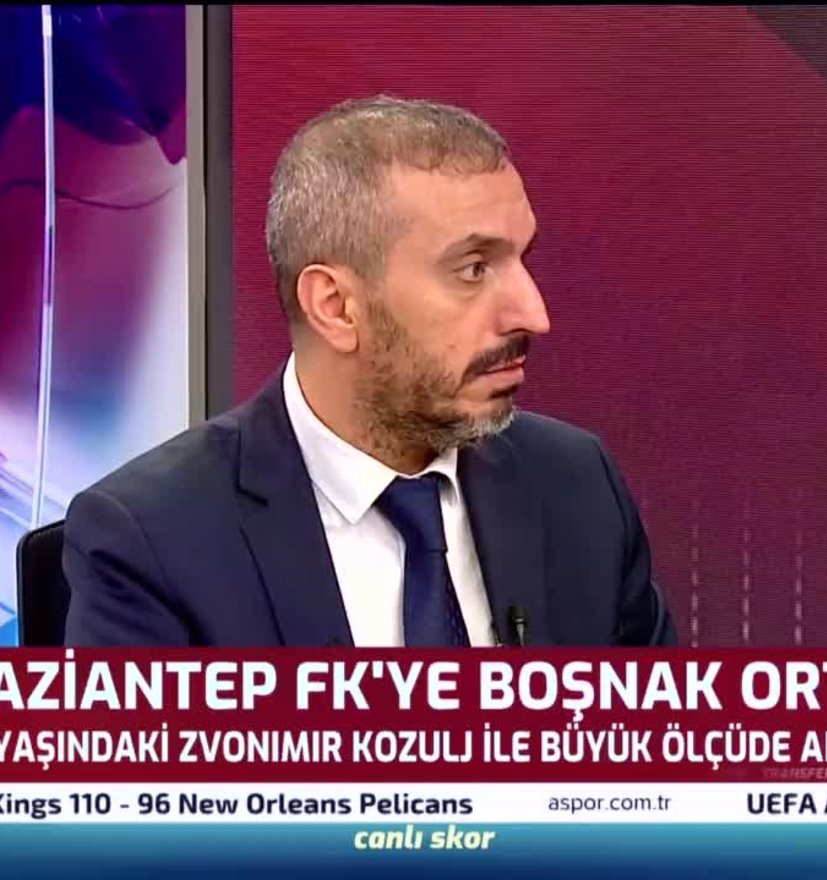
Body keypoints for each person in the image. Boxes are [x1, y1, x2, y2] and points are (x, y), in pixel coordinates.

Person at [62, 95, 676, 647]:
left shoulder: (577, 487)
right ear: (335, 307)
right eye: (473, 269)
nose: (534, 315)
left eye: (522, 260)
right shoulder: (153, 543)